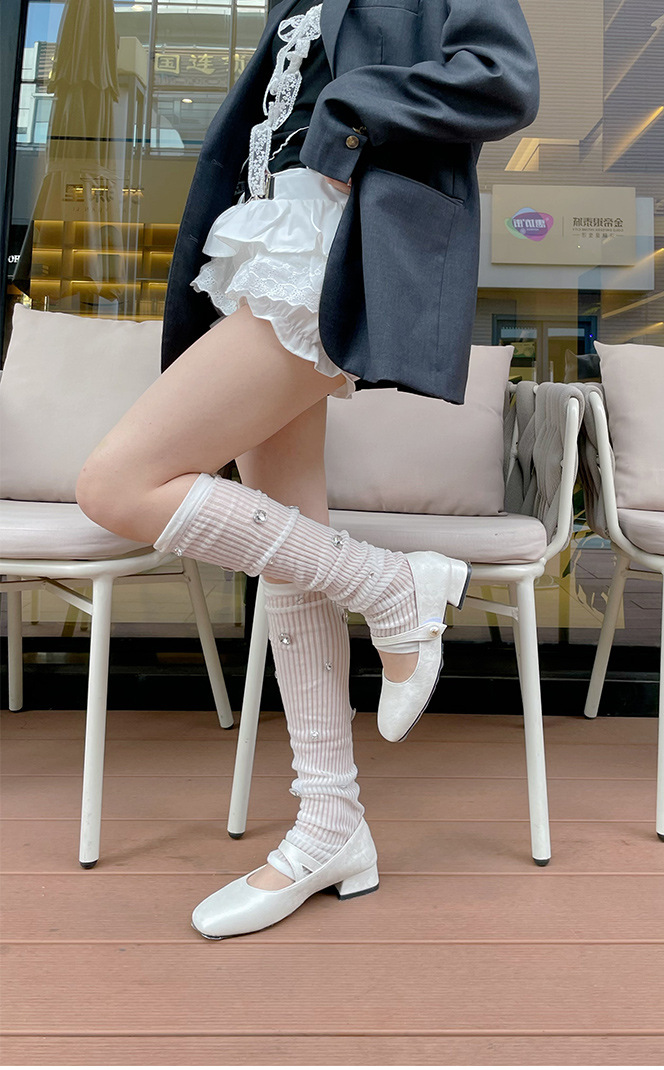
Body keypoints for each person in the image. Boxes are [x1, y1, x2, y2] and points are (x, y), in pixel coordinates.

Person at [76, 0, 539, 939]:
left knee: (115, 485)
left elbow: (503, 78)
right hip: (267, 242)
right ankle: (332, 824)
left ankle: (397, 588)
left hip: (329, 245)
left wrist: (352, 112)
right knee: (289, 551)